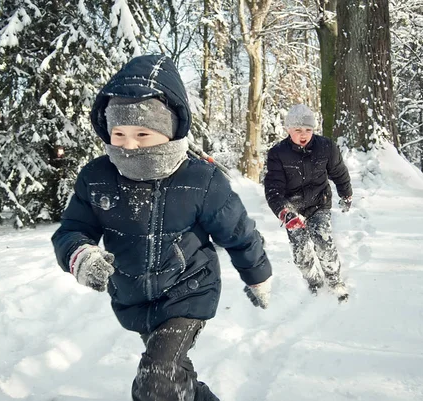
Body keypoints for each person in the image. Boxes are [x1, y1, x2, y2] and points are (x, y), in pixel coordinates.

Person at [51, 54, 272, 401]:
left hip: (189, 293)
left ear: (169, 130)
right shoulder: (97, 178)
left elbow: (238, 233)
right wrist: (80, 255)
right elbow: (71, 230)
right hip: (133, 297)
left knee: (157, 382)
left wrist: (258, 275)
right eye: (119, 133)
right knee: (175, 378)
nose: (129, 144)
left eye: (142, 133)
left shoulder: (201, 179)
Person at [263, 104, 352, 302]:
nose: (303, 134)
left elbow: (339, 172)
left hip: (319, 203)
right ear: (288, 130)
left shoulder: (326, 147)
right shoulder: (277, 154)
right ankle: (314, 282)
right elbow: (273, 189)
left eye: (308, 130)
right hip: (292, 208)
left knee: (323, 240)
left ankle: (334, 279)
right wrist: (284, 212)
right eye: (298, 130)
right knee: (300, 250)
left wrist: (346, 194)